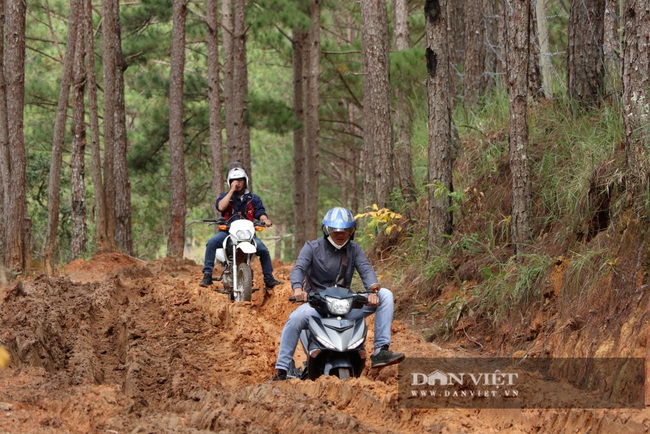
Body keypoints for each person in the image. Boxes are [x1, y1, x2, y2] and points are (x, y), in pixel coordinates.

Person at [272, 207, 405, 381]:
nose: (340, 234)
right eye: (336, 230)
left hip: (346, 303)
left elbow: (366, 269)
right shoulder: (311, 248)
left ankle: (381, 351)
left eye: (346, 230)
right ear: (327, 229)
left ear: (352, 231)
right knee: (295, 319)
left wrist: (373, 291)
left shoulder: (354, 249)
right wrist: (298, 289)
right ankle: (282, 369)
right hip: (317, 305)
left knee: (386, 295)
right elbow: (299, 268)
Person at [199, 166, 282, 289]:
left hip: (248, 234)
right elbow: (221, 207)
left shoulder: (254, 199)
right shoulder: (225, 197)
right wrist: (231, 191)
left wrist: (265, 220)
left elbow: (260, 213)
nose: (238, 183)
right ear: (229, 182)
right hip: (228, 233)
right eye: (234, 180)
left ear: (245, 181)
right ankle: (207, 275)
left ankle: (269, 279)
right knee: (212, 242)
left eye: (240, 180)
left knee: (263, 250)